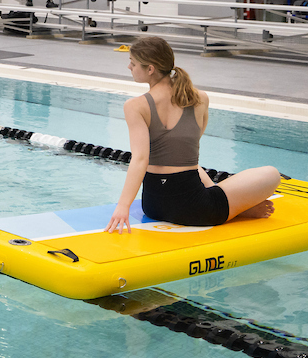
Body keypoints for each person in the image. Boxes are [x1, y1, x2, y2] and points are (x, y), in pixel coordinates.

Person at [106, 36, 281, 233]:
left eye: (133, 63)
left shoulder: (135, 106)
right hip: (196, 210)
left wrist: (123, 206)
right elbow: (189, 156)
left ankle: (230, 204)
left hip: (153, 205)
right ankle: (237, 208)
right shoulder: (200, 99)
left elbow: (140, 159)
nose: (129, 67)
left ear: (150, 69)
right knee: (272, 174)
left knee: (202, 180)